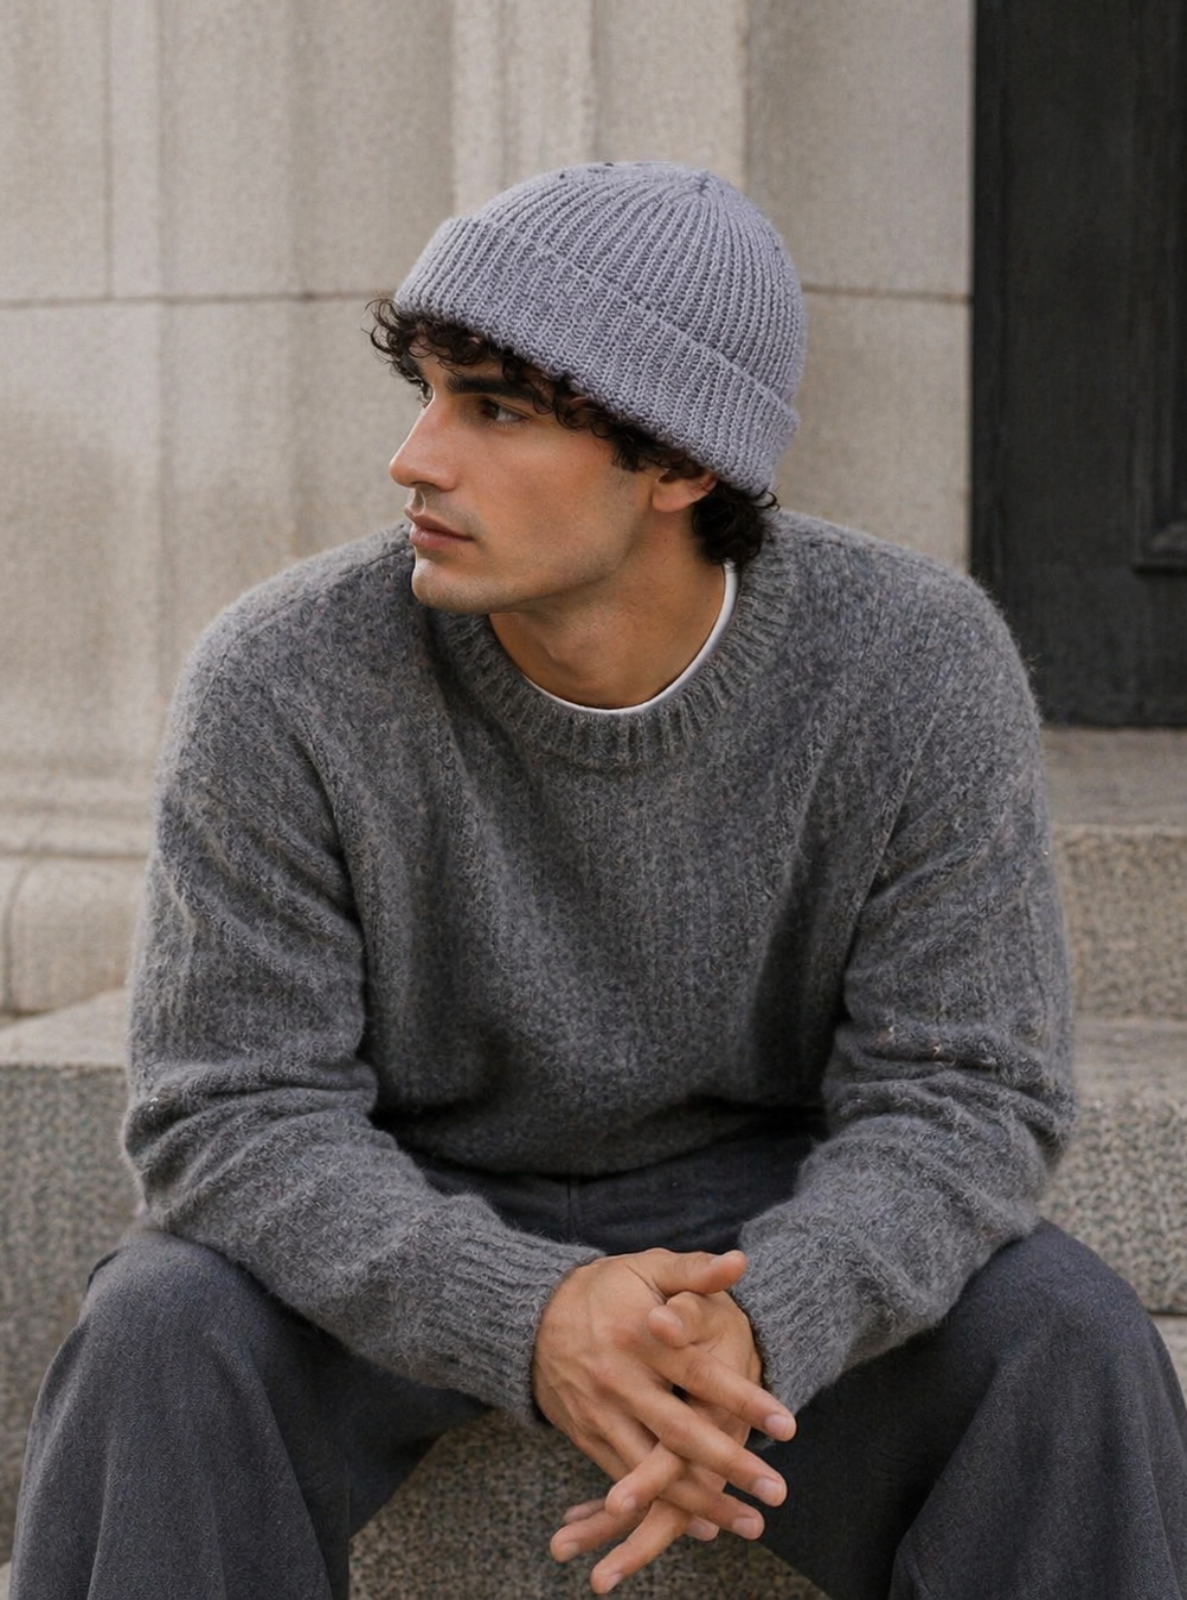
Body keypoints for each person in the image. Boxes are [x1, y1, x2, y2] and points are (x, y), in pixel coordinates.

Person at [10, 162, 1187, 1600]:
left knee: (1066, 1339)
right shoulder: (283, 677)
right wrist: (527, 1313)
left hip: (765, 1217)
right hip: (411, 1186)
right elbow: (227, 1109)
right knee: (160, 1326)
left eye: (494, 409)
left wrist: (762, 1328)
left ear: (680, 463)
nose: (415, 458)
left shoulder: (912, 666)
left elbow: (968, 1096)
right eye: (428, 391)